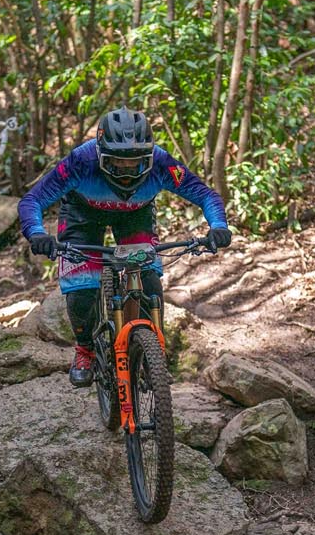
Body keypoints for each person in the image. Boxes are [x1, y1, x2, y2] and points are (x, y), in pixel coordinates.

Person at [17, 108, 231, 387]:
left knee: (149, 282)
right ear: (101, 154)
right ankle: (85, 350)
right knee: (81, 291)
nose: (128, 169)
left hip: (135, 214)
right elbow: (32, 200)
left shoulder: (162, 163)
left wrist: (218, 226)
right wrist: (36, 233)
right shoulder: (80, 161)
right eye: (118, 161)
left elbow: (205, 195)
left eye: (136, 162)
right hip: (82, 214)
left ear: (149, 156)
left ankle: (151, 355)